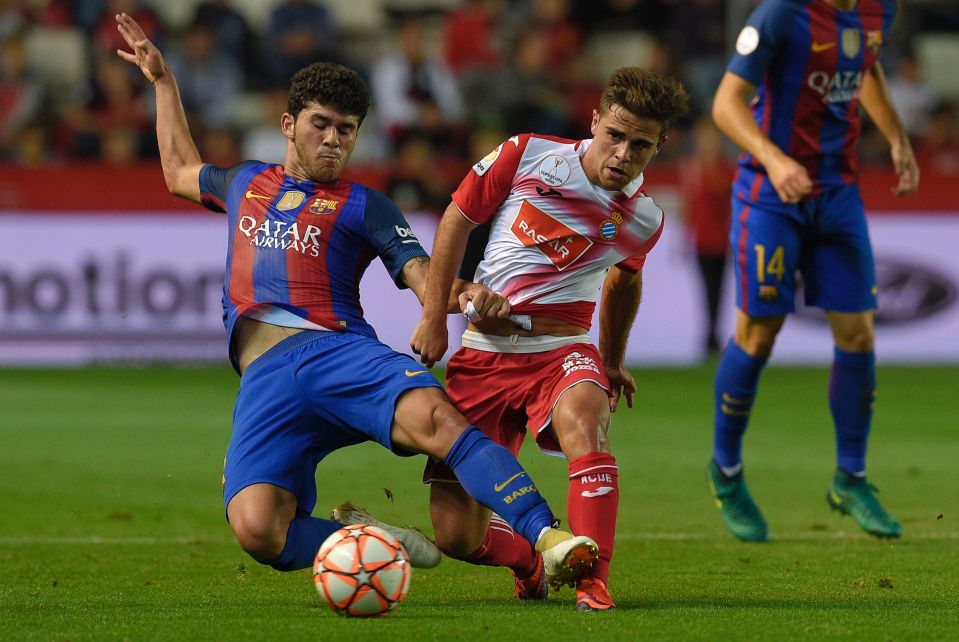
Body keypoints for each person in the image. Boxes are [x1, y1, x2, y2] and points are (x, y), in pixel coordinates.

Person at [113, 12, 598, 585]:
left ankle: (549, 536)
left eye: (347, 129)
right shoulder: (244, 181)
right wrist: (164, 83)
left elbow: (421, 274)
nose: (333, 139)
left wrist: (463, 295)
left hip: (338, 354)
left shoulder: (366, 205)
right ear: (288, 124)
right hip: (265, 377)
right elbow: (176, 171)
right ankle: (374, 539)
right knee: (259, 529)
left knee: (437, 419)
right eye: (321, 124)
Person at [409, 67, 690, 611]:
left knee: (587, 423)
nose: (622, 153)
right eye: (615, 135)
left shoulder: (643, 220)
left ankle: (593, 582)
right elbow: (457, 219)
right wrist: (433, 316)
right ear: (594, 121)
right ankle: (533, 560)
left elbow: (624, 279)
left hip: (561, 352)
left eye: (641, 145)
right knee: (454, 535)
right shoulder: (527, 153)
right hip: (483, 355)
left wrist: (609, 361)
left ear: (657, 148)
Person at [706, 0, 919, 542]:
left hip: (837, 192)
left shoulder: (878, 10)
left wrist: (895, 136)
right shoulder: (780, 14)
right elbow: (726, 104)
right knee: (757, 337)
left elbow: (863, 66)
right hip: (770, 195)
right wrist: (776, 160)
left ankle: (851, 479)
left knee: (858, 333)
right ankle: (726, 471)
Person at [679, 116, 734, 356]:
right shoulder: (692, 169)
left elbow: (731, 206)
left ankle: (713, 336)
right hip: (702, 239)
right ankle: (710, 335)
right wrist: (684, 236)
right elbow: (688, 205)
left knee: (717, 289)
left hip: (721, 241)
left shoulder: (724, 170)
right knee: (706, 289)